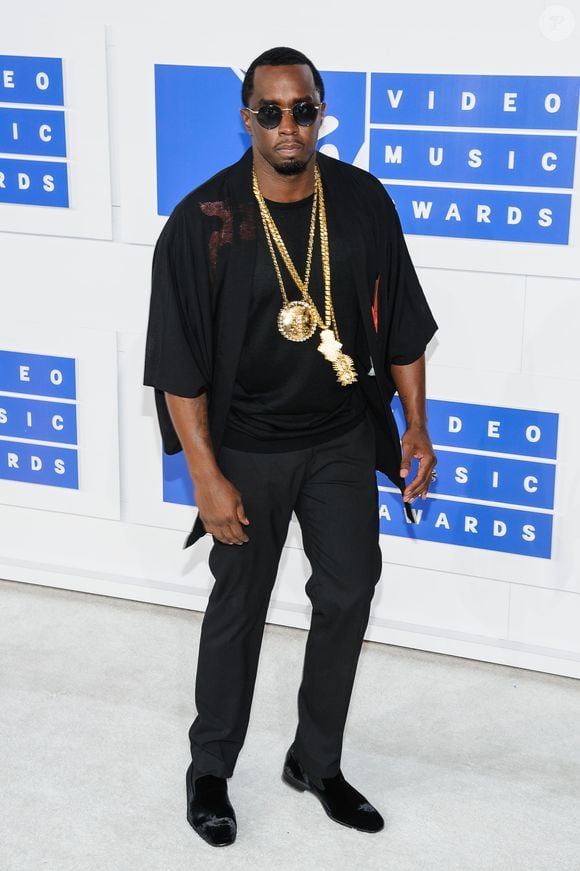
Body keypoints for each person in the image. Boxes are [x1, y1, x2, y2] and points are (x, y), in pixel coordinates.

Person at [144, 46, 438, 847]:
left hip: (341, 436)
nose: (287, 126)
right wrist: (206, 474)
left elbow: (404, 322)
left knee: (348, 592)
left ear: (320, 114)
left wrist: (414, 423)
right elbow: (178, 367)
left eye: (302, 110)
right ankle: (210, 769)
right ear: (246, 118)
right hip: (247, 446)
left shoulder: (363, 202)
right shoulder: (205, 221)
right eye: (269, 112)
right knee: (237, 607)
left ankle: (316, 760)